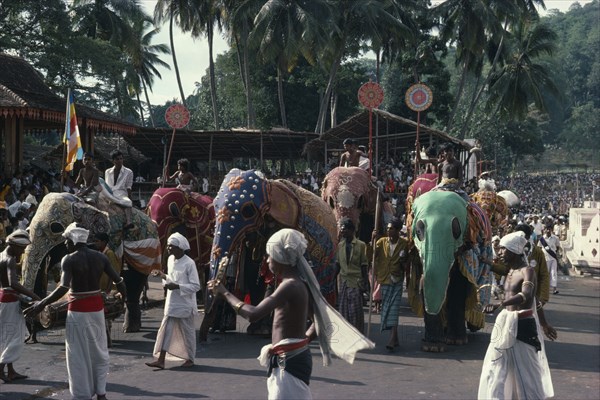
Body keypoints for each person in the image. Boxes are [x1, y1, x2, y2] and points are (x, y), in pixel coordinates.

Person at [208, 228, 374, 400]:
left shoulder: (290, 285)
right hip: (294, 355)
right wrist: (302, 341)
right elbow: (319, 321)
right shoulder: (299, 284)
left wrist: (225, 293)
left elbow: (254, 314)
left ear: (280, 259)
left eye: (270, 256)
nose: (268, 260)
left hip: (289, 359)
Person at [24, 223, 126, 400]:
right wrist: (123, 299)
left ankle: (81, 395)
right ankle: (101, 393)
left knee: (77, 354)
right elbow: (119, 281)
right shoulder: (101, 258)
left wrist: (41, 304)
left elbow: (63, 287)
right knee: (99, 352)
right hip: (97, 310)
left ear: (73, 240)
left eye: (66, 241)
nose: (65, 245)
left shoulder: (69, 259)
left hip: (78, 312)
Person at [478, 231, 554, 400]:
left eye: (503, 250)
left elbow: (527, 295)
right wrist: (544, 323)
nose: (499, 253)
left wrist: (500, 304)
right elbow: (535, 299)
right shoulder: (510, 271)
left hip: (523, 326)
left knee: (528, 374)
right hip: (504, 324)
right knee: (495, 368)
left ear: (513, 251)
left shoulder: (528, 271)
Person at [146, 233, 200, 370]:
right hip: (172, 302)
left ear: (180, 248)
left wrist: (177, 287)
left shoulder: (189, 263)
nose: (169, 248)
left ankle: (190, 358)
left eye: (172, 246)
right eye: (168, 246)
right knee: (166, 331)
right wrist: (162, 275)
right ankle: (161, 359)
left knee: (187, 332)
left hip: (185, 303)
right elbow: (171, 278)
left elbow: (196, 286)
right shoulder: (170, 259)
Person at [0, 230, 40, 383]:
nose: (22, 252)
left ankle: (10, 371)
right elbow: (13, 283)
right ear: (14, 246)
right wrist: (34, 296)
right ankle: (1, 367)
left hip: (4, 298)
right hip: (10, 301)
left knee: (7, 335)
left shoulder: (1, 255)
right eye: (21, 249)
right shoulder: (9, 259)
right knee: (15, 337)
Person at [372, 218, 409, 352]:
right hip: (385, 279)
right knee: (387, 308)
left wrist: (404, 261)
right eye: (387, 228)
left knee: (393, 309)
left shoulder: (404, 244)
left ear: (398, 230)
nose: (388, 230)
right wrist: (373, 241)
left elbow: (406, 262)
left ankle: (392, 339)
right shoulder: (381, 242)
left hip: (397, 279)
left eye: (391, 228)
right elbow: (372, 256)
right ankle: (396, 337)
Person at [336, 218, 368, 333]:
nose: (342, 232)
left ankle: (357, 333)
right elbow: (338, 264)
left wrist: (365, 283)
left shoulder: (361, 245)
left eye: (344, 230)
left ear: (351, 231)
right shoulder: (340, 246)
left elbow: (364, 265)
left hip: (356, 281)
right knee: (343, 310)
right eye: (341, 230)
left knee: (355, 311)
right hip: (344, 281)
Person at [104, 150, 134, 230]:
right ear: (113, 161)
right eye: (117, 159)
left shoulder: (129, 172)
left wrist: (130, 199)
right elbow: (107, 185)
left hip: (121, 194)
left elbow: (129, 187)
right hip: (109, 193)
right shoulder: (107, 171)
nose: (120, 161)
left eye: (121, 158)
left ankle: (129, 222)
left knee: (127, 202)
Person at [539, 226, 562, 295]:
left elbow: (557, 247)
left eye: (549, 229)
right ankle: (544, 289)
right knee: (546, 274)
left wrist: (554, 253)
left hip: (553, 258)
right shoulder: (542, 239)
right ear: (545, 230)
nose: (548, 230)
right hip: (545, 258)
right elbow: (539, 248)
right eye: (547, 229)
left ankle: (554, 289)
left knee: (553, 273)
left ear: (551, 230)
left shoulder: (555, 238)